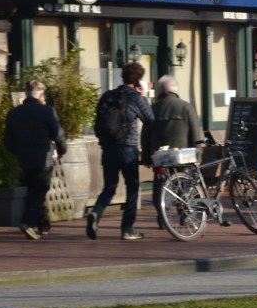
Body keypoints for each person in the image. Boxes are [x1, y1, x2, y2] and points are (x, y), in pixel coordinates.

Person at [87, 62, 154, 241]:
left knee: (110, 186)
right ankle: (127, 228)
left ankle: (96, 212)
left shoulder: (107, 96)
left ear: (122, 77)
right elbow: (151, 120)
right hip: (127, 148)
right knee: (132, 188)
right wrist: (144, 96)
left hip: (108, 148)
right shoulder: (136, 98)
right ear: (138, 80)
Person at [3, 80, 67, 240]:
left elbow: (7, 140)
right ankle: (27, 222)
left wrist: (17, 152)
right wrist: (62, 150)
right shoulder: (47, 111)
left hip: (24, 158)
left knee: (34, 190)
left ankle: (44, 225)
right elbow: (57, 134)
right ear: (41, 94)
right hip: (43, 158)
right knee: (40, 190)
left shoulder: (14, 113)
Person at [143, 74, 204, 229]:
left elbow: (145, 134)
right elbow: (196, 132)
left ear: (160, 90)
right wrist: (198, 152)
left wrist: (146, 156)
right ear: (175, 89)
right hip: (183, 155)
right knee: (186, 185)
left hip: (160, 156)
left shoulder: (153, 108)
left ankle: (164, 217)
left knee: (161, 185)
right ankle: (186, 215)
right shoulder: (185, 106)